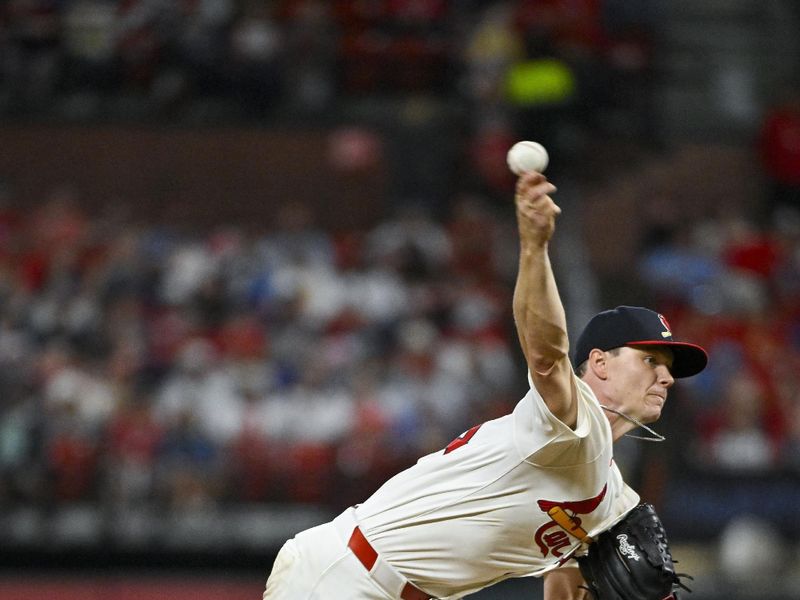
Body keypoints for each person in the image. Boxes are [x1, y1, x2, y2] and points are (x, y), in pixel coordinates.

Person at [262, 171, 708, 600]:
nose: (666, 376)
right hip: (347, 577)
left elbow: (565, 584)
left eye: (669, 367)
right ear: (599, 364)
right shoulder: (573, 419)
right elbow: (545, 354)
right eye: (650, 359)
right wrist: (534, 248)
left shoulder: (613, 497)